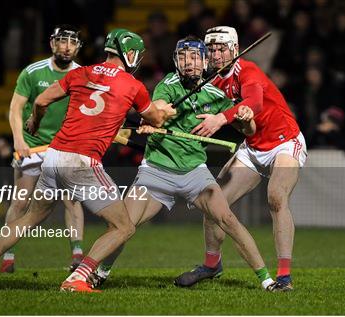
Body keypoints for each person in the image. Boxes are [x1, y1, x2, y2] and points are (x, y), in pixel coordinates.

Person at [0, 28, 176, 293]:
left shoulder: (80, 72)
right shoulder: (134, 86)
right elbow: (154, 119)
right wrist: (164, 112)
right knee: (123, 227)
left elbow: (40, 101)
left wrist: (34, 122)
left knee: (30, 217)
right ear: (129, 54)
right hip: (82, 162)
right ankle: (78, 278)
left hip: (53, 156)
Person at [88, 36, 276, 291]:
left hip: (195, 173)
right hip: (156, 170)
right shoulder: (169, 84)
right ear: (176, 61)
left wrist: (245, 116)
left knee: (228, 220)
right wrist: (155, 119)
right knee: (125, 226)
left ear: (205, 61)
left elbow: (250, 128)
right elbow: (159, 107)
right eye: (184, 57)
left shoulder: (214, 94)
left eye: (196, 57)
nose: (190, 63)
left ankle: (267, 280)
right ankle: (100, 271)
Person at [176, 26, 308, 291]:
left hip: (284, 142)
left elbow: (255, 104)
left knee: (276, 197)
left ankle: (284, 277)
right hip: (253, 147)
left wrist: (220, 119)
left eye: (221, 48)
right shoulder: (210, 83)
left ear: (234, 49)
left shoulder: (248, 71)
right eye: (211, 49)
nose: (215, 55)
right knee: (213, 202)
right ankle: (212, 265)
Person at [1, 24, 85, 273]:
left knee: (72, 200)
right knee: (21, 201)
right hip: (33, 146)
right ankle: (8, 254)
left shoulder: (83, 74)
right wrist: (18, 139)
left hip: (65, 147)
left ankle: (78, 255)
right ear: (52, 44)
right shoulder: (32, 71)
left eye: (71, 42)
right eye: (61, 41)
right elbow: (16, 108)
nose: (66, 47)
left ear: (78, 47)